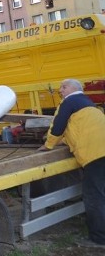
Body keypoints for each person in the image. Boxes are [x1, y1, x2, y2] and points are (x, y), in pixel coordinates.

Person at [38, 79, 105, 248]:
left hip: (95, 154)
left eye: (64, 86)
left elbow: (58, 126)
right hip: (101, 150)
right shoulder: (88, 104)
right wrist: (64, 142)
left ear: (75, 88)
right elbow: (77, 129)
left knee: (94, 196)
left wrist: (48, 144)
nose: (60, 90)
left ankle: (99, 239)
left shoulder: (69, 102)